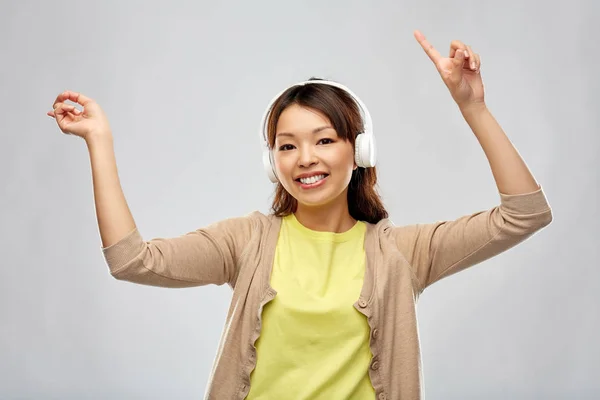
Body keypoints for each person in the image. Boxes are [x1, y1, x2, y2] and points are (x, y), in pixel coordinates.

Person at [48, 30, 552, 400]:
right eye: (287, 146)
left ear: (359, 152)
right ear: (273, 162)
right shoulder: (246, 241)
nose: (305, 158)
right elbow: (132, 261)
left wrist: (473, 109)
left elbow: (524, 214)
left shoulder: (401, 252)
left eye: (324, 140)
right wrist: (99, 140)